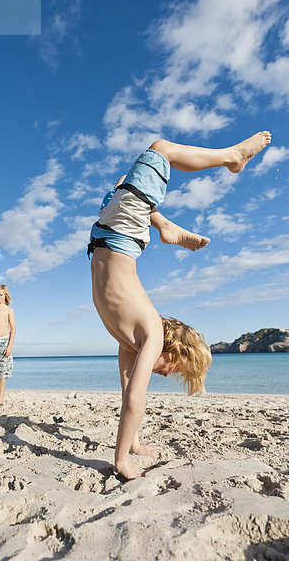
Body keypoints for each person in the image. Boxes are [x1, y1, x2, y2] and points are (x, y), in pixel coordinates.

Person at [88, 131, 271, 480]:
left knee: (124, 182)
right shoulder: (152, 334)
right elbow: (135, 401)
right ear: (177, 350)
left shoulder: (131, 342)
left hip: (106, 231)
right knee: (161, 150)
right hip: (122, 232)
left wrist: (135, 445)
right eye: (177, 369)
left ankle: (164, 224)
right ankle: (233, 157)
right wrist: (122, 459)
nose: (167, 374)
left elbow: (128, 395)